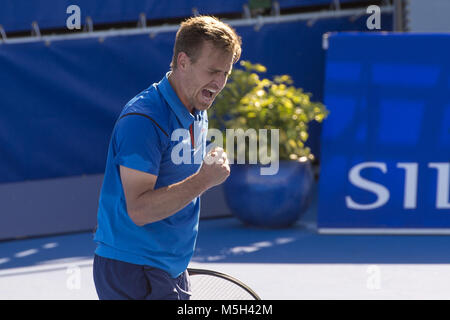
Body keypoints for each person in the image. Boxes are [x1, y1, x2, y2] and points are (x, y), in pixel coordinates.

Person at [93, 15, 242, 300]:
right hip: (132, 268)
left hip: (171, 266)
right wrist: (204, 180)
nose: (219, 82)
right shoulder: (143, 120)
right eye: (213, 71)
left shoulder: (198, 108)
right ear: (183, 61)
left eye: (225, 73)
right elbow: (139, 210)